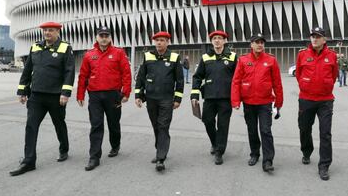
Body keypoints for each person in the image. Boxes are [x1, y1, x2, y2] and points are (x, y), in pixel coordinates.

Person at [10, 22, 75, 176]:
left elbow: (69, 72)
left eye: (51, 30)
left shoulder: (65, 48)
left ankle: (64, 148)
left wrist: (65, 93)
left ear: (58, 32)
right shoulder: (35, 47)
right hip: (36, 96)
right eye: (45, 30)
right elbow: (28, 70)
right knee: (31, 126)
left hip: (55, 97)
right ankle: (29, 161)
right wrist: (22, 90)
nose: (47, 33)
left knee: (59, 124)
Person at [77, 26, 132, 171]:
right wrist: (80, 94)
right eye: (101, 35)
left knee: (113, 124)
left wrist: (126, 92)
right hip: (95, 96)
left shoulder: (119, 53)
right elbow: (83, 76)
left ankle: (115, 145)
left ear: (110, 38)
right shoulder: (89, 55)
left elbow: (126, 73)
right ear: (97, 37)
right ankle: (94, 157)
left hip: (113, 95)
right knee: (96, 125)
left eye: (106, 35)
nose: (104, 38)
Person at [231, 33, 283, 173]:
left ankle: (268, 160)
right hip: (248, 102)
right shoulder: (243, 60)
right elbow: (236, 81)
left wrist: (278, 103)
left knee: (265, 130)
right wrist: (235, 100)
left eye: (262, 42)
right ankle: (255, 153)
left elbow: (277, 83)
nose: (260, 44)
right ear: (251, 44)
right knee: (252, 130)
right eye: (257, 42)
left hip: (265, 102)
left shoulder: (271, 60)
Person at [134, 31, 184, 171]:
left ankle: (160, 158)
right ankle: (160, 149)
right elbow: (141, 78)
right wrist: (138, 95)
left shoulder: (174, 57)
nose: (159, 43)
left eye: (162, 40)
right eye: (157, 40)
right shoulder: (148, 56)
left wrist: (178, 98)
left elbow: (179, 80)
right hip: (151, 98)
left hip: (167, 99)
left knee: (163, 126)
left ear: (168, 42)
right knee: (156, 126)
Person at [295, 27, 338, 181]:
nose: (314, 39)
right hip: (306, 99)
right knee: (304, 128)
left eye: (318, 37)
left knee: (325, 133)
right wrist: (305, 85)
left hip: (325, 101)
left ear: (324, 40)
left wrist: (325, 86)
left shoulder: (332, 56)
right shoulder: (302, 55)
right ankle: (307, 151)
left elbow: (334, 76)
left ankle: (324, 165)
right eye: (312, 36)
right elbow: (298, 74)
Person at [191, 30, 237, 165]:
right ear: (211, 41)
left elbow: (238, 78)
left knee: (223, 125)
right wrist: (194, 95)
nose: (217, 40)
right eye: (214, 38)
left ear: (224, 41)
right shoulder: (205, 57)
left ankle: (219, 152)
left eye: (220, 38)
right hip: (209, 97)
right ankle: (215, 143)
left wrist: (237, 98)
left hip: (225, 98)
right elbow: (197, 77)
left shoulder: (233, 57)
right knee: (207, 120)